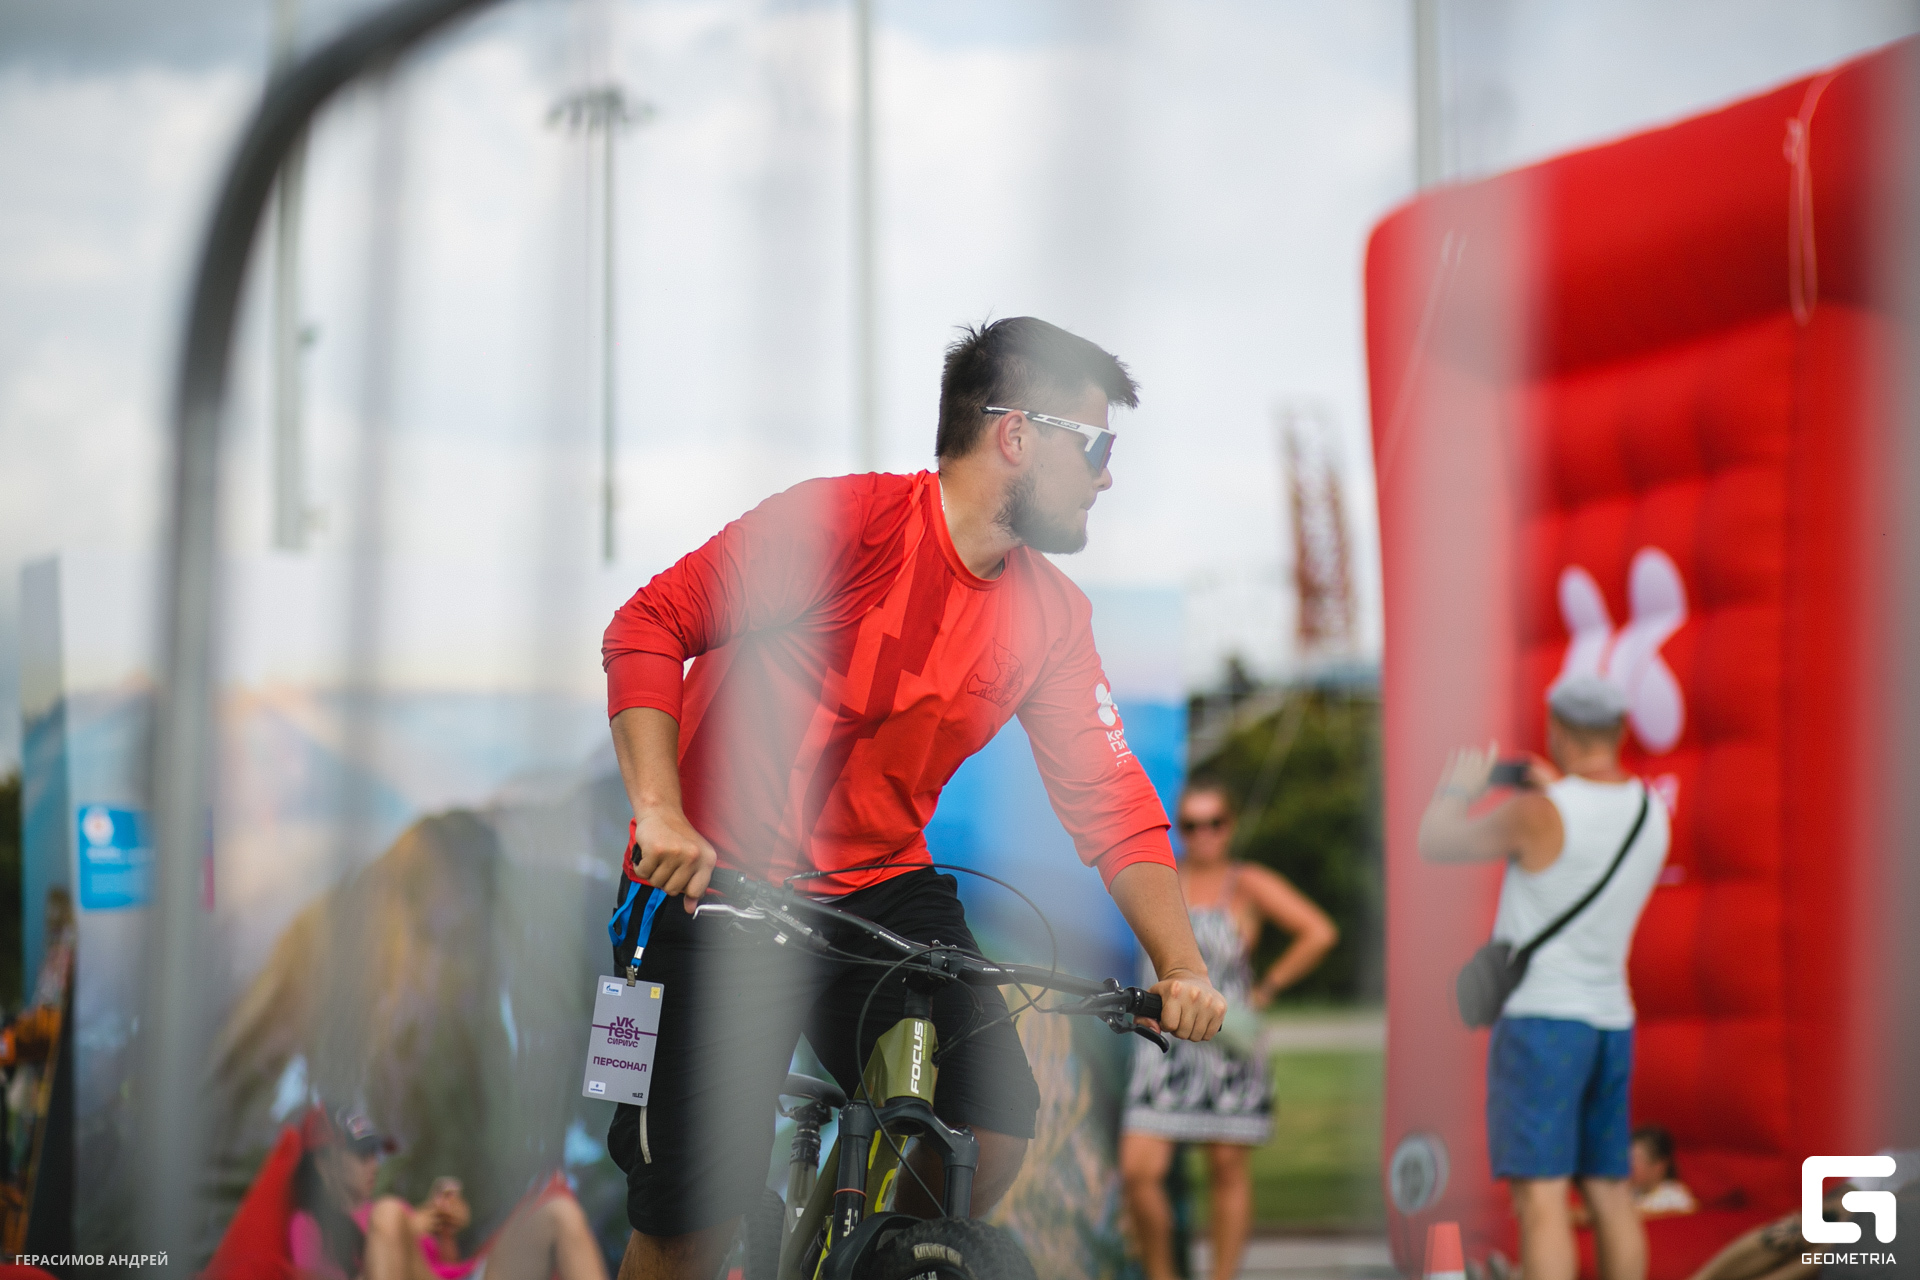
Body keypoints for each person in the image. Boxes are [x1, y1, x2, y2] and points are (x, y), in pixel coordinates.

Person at [600, 316, 1228, 1280]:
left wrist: (1181, 965)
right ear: (1015, 435)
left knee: (992, 1124)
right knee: (690, 1222)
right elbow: (649, 624)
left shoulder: (1053, 617)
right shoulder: (840, 527)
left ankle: (869, 1261)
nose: (1107, 478)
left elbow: (1110, 797)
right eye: (1097, 448)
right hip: (713, 882)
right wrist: (661, 811)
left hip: (877, 884)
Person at [1417, 673, 1671, 1280]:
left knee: (1541, 1199)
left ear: (1557, 728)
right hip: (1612, 1019)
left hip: (1541, 1025)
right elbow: (1588, 835)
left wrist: (1459, 786)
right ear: (1620, 729)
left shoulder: (1537, 812)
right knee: (1609, 1190)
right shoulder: (1651, 812)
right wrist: (1555, 788)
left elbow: (1436, 840)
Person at [1119, 780, 1339, 1280]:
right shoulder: (1159, 878)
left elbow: (1318, 931)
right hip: (1163, 1046)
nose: (1203, 835)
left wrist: (1266, 989)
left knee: (1227, 1169)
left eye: (1214, 823)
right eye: (1191, 825)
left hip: (1226, 1044)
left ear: (1230, 826)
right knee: (1139, 1172)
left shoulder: (1246, 882)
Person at [289, 1108, 607, 1280]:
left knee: (559, 1212)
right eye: (362, 1155)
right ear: (324, 1163)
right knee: (388, 1213)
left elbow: (446, 1267)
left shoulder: (396, 1211)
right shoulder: (311, 1225)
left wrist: (446, 1232)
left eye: (375, 1152)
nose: (374, 1164)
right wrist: (406, 1229)